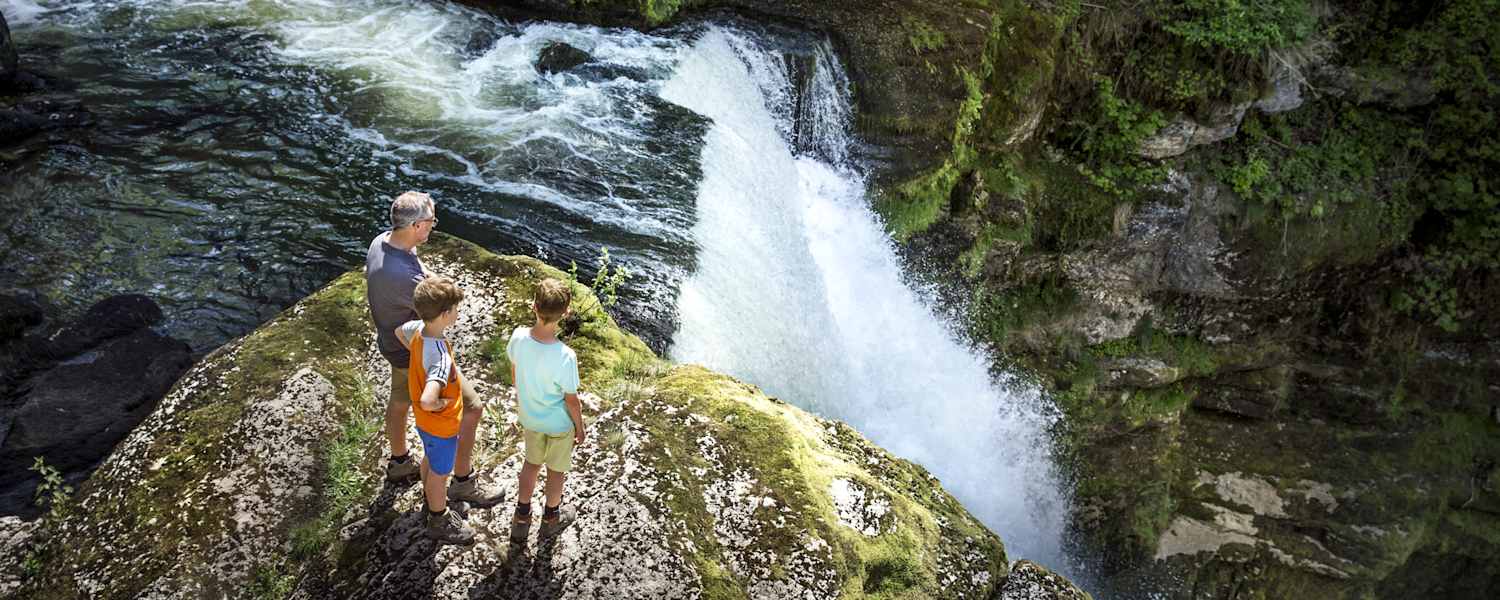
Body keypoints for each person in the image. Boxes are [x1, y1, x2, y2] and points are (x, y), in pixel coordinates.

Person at [365, 191, 502, 507]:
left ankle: (400, 462)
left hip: (391, 344)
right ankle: (463, 481)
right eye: (431, 221)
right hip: (413, 351)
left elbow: (414, 266)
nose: (433, 226)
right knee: (472, 407)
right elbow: (435, 307)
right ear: (415, 225)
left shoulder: (383, 242)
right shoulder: (404, 279)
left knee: (400, 399)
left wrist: (428, 276)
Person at [394, 276, 486, 543]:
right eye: (456, 309)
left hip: (424, 423)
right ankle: (439, 518)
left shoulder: (417, 330)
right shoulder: (441, 357)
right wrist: (443, 403)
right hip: (441, 425)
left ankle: (429, 496)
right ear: (445, 314)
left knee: (431, 460)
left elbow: (399, 332)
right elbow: (427, 399)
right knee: (441, 472)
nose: (458, 313)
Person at [507, 278, 585, 542]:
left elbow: (515, 373)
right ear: (566, 312)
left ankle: (521, 516)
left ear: (534, 306)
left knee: (530, 464)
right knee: (555, 471)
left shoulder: (518, 337)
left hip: (531, 419)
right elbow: (571, 400)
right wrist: (580, 427)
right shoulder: (565, 356)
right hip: (559, 425)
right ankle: (552, 517)